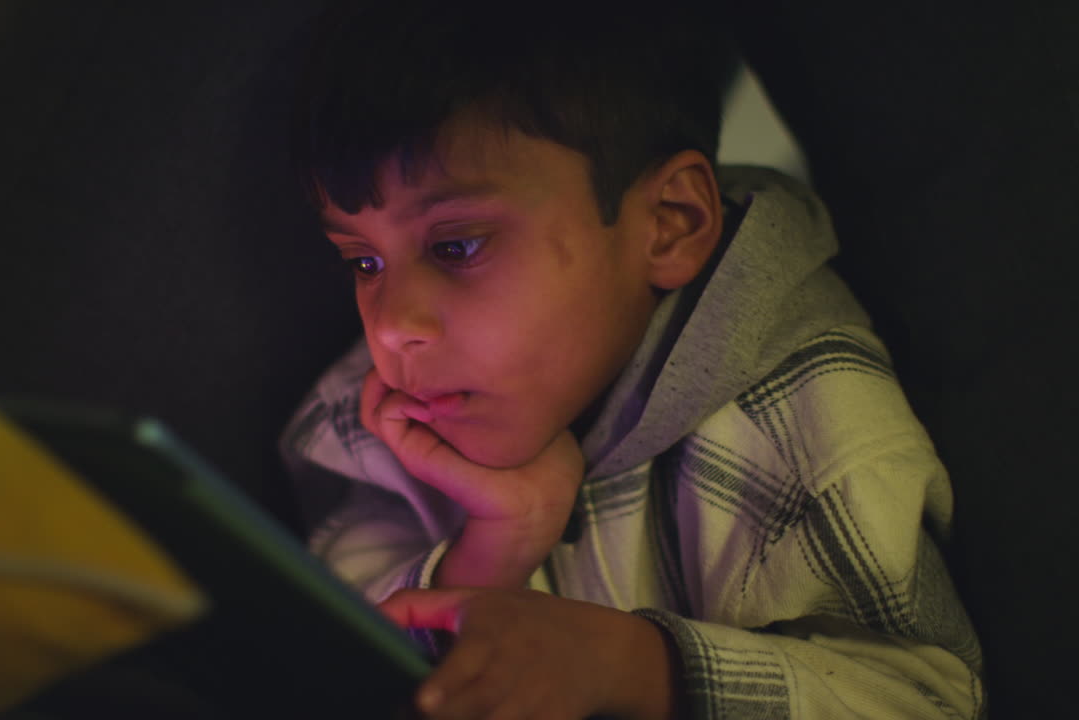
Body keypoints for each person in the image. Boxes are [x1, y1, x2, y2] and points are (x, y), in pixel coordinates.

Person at [281, 2, 985, 717]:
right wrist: (500, 541)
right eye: (364, 261)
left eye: (456, 246)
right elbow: (332, 671)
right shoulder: (385, 419)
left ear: (669, 225)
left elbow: (927, 700)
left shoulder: (805, 425)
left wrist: (634, 666)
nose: (394, 326)